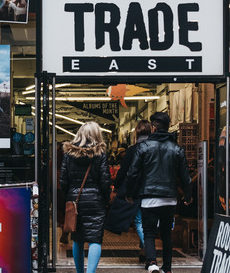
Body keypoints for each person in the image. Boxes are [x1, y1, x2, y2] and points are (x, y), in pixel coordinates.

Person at [126, 112, 192, 273]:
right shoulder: (177, 149)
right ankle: (167, 268)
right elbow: (186, 177)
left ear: (153, 128)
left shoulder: (144, 147)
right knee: (166, 235)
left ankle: (152, 263)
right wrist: (188, 196)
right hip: (169, 199)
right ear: (168, 127)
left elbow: (132, 173)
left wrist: (129, 192)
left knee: (149, 233)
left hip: (149, 198)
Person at [59, 121, 112, 273]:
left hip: (75, 201)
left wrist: (68, 197)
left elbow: (63, 180)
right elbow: (105, 180)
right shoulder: (100, 154)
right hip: (96, 202)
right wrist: (106, 198)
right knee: (95, 239)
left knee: (77, 238)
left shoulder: (69, 155)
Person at [109, 119, 152, 263]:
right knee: (147, 220)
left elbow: (124, 170)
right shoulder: (155, 148)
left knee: (139, 220)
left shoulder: (133, 150)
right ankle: (144, 251)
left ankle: (149, 250)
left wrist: (116, 186)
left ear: (136, 133)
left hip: (136, 190)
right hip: (153, 189)